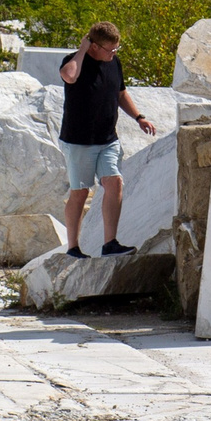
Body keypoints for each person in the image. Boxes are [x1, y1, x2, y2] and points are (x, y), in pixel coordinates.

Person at [58, 21, 157, 259]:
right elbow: (69, 77)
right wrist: (82, 50)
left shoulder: (114, 63)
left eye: (116, 49)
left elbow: (121, 92)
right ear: (93, 46)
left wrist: (139, 117)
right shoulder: (74, 62)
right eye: (109, 49)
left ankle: (109, 243)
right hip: (79, 141)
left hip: (107, 139)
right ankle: (72, 248)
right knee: (80, 192)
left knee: (115, 183)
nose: (113, 54)